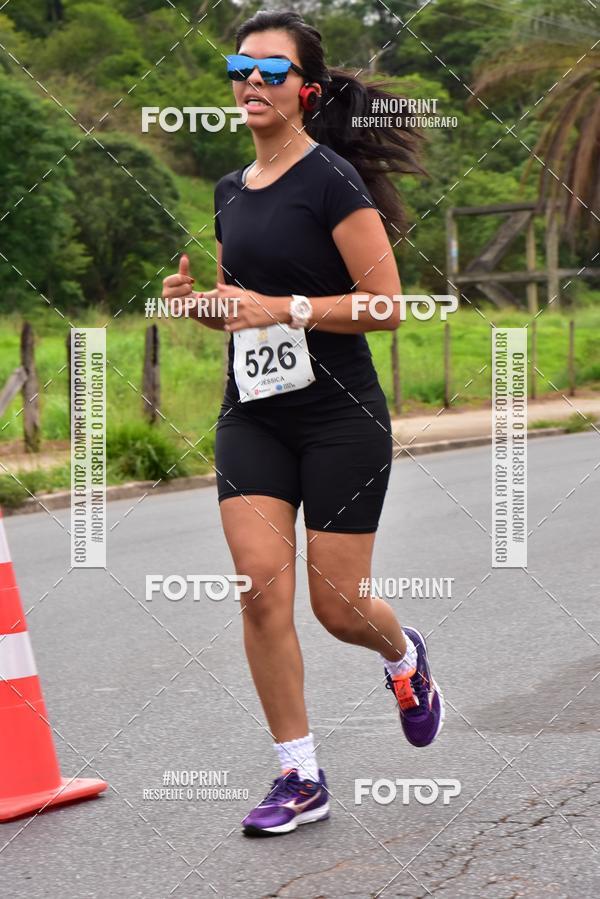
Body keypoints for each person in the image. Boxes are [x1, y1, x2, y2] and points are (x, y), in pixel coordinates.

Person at [161, 9, 444, 838]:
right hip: (251, 414)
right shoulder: (227, 192)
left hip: (339, 416)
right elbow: (239, 312)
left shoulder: (330, 182)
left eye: (270, 71)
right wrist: (205, 307)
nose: (251, 81)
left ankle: (403, 655)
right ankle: (300, 774)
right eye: (238, 68)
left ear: (305, 91)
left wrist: (283, 305)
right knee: (258, 587)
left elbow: (386, 306)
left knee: (337, 605)